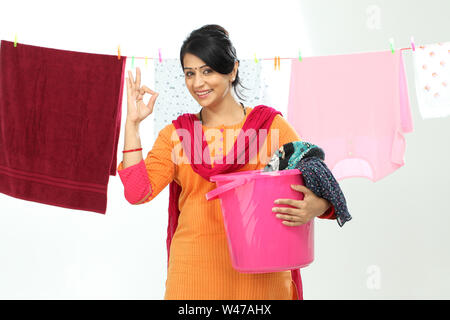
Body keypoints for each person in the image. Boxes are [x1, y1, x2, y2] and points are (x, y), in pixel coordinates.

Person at [117, 24, 335, 300]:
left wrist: (316, 205)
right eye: (190, 73)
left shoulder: (269, 128)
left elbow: (320, 180)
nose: (198, 83)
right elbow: (138, 192)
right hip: (193, 276)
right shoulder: (176, 135)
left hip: (262, 275)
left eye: (208, 71)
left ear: (232, 70)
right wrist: (132, 125)